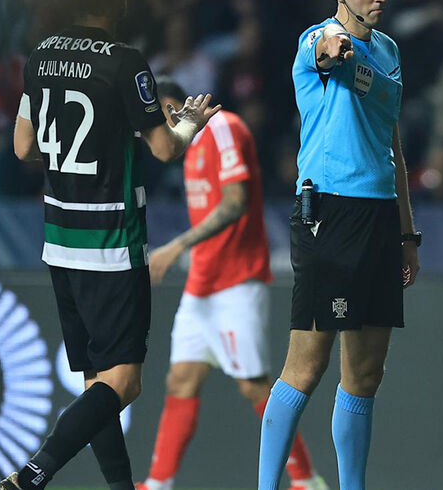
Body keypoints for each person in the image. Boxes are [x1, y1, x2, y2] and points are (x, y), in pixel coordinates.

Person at [0, 0, 221, 490]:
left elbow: (23, 147)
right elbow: (166, 149)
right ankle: (31, 476)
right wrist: (190, 123)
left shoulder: (40, 55)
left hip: (59, 239)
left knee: (98, 383)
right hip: (110, 240)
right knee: (122, 384)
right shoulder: (125, 63)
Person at [257, 0, 421, 490]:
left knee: (366, 374)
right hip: (328, 213)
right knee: (306, 366)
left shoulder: (390, 52)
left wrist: (407, 233)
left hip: (378, 219)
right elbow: (327, 51)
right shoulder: (318, 40)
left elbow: (392, 148)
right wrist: (336, 50)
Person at [135, 79, 327, 490]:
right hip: (202, 285)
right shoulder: (188, 150)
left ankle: (306, 480)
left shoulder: (223, 127)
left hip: (238, 281)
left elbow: (236, 202)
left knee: (253, 385)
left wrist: (176, 247)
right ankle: (158, 484)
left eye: (161, 117)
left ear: (175, 107)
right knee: (181, 379)